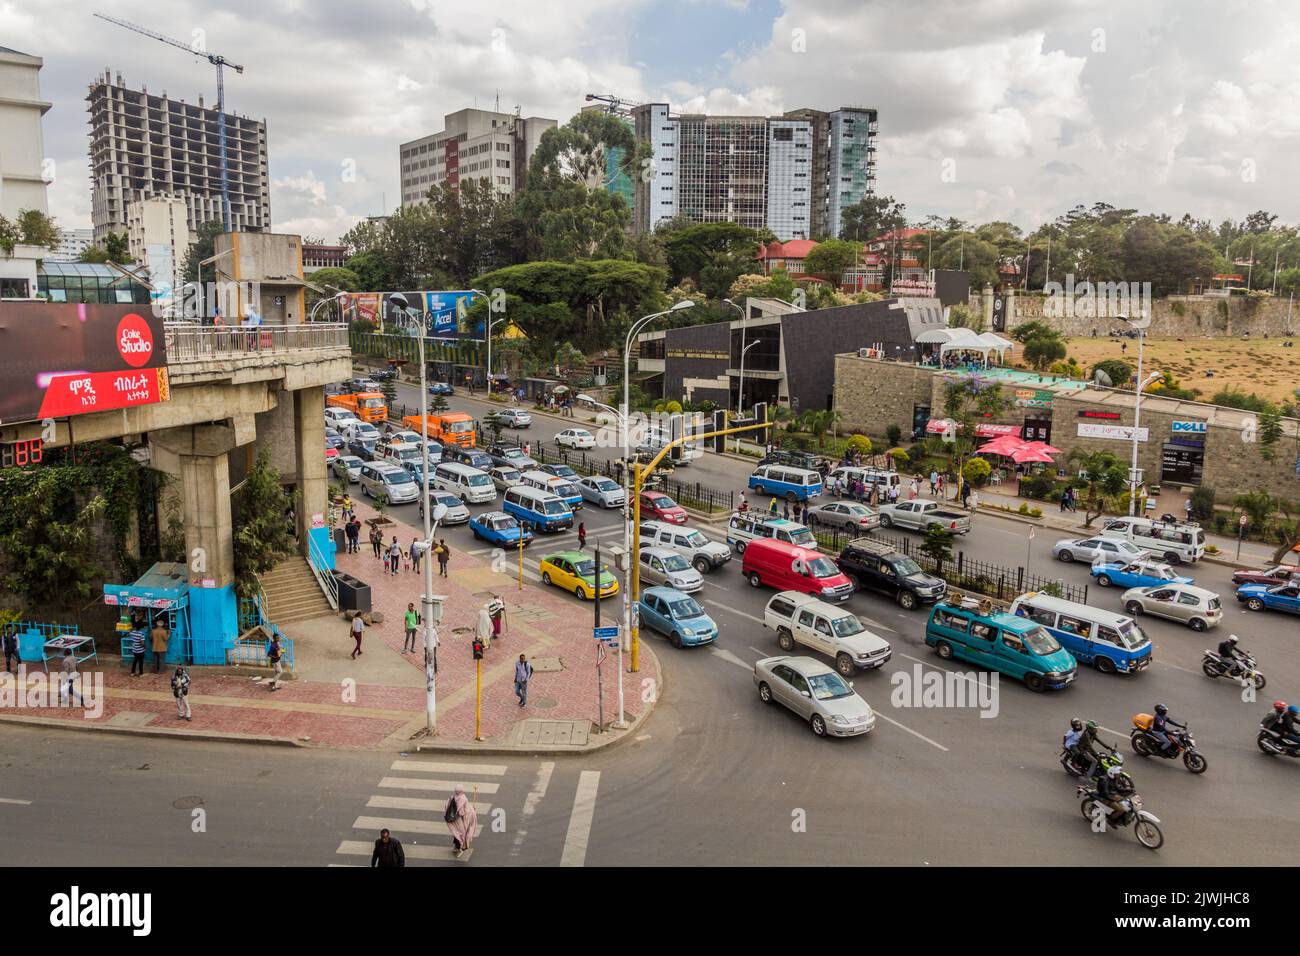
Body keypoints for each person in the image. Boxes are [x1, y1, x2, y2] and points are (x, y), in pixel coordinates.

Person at [445, 783, 478, 858]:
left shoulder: (452, 797)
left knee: (456, 833)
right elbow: (463, 812)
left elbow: (447, 806)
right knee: (463, 834)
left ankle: (456, 847)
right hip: (461, 821)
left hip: (454, 820)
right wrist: (472, 810)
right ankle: (462, 847)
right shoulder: (463, 798)